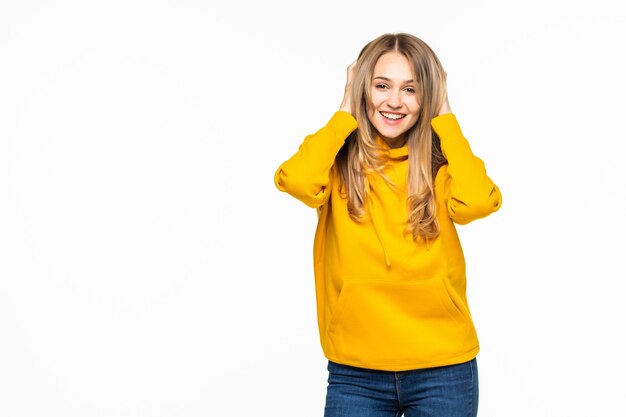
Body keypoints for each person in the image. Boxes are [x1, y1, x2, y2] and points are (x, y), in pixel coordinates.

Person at [273, 32, 502, 417]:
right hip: (356, 371)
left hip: (442, 370)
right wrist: (345, 108)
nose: (394, 101)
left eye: (411, 89)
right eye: (381, 86)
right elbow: (295, 180)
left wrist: (445, 114)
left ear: (427, 97)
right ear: (363, 89)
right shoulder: (338, 166)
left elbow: (479, 201)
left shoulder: (441, 171)